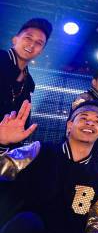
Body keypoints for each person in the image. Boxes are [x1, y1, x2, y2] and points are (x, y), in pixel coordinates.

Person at [0, 100, 98, 233]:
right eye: (83, 117)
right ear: (69, 125)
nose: (90, 122)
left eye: (97, 121)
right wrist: (1, 142)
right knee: (27, 222)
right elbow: (3, 169)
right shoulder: (39, 151)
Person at [0, 17, 53, 153]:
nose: (32, 45)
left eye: (39, 43)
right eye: (28, 38)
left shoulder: (28, 83)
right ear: (15, 39)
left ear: (41, 50)